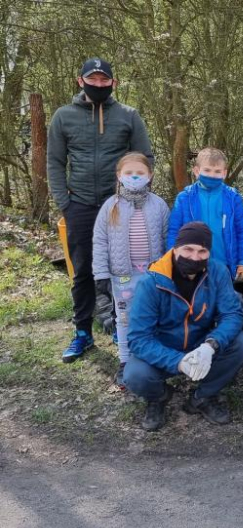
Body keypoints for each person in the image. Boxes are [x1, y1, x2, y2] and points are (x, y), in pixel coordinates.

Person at [48, 57, 154, 363]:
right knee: (82, 270)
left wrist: (134, 197)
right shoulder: (63, 116)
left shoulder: (128, 115)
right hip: (79, 204)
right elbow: (54, 162)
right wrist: (64, 202)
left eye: (103, 80)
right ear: (80, 81)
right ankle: (82, 332)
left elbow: (145, 158)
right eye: (92, 79)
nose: (98, 84)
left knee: (125, 267)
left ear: (113, 83)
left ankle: (127, 327)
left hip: (119, 205)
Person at [125, 222, 243, 431]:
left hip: (200, 343)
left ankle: (203, 396)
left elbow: (232, 314)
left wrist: (210, 345)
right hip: (163, 347)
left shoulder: (217, 272)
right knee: (134, 375)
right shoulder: (151, 282)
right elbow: (138, 339)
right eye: (188, 249)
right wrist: (178, 361)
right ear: (175, 248)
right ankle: (158, 397)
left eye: (202, 251)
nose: (194, 257)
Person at [92, 152, 169, 388]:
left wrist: (169, 271)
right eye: (129, 173)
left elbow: (167, 238)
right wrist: (101, 274)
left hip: (153, 275)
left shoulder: (158, 205)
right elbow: (100, 241)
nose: (134, 177)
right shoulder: (110, 206)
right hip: (122, 277)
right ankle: (125, 361)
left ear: (150, 175)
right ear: (119, 175)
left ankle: (150, 357)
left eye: (139, 173)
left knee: (153, 316)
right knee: (125, 320)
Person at [167, 147, 243, 284]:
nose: (212, 175)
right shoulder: (184, 198)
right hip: (192, 265)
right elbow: (174, 231)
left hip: (225, 266)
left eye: (217, 171)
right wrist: (172, 259)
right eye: (207, 170)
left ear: (224, 173)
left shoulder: (233, 198)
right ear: (196, 171)